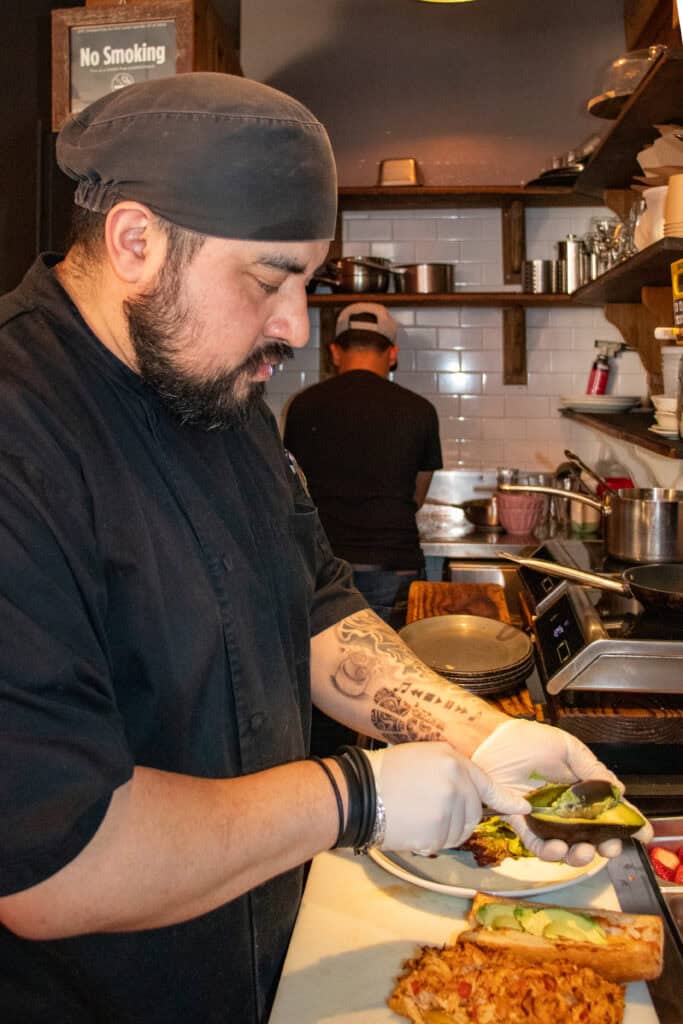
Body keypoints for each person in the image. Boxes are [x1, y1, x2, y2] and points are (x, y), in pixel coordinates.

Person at [0, 72, 646, 1024]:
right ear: (135, 240)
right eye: (268, 279)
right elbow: (50, 861)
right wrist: (353, 796)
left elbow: (316, 605)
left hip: (266, 966)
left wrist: (486, 736)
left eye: (308, 283)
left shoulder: (222, 402)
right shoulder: (21, 435)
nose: (295, 327)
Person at [283, 302, 442, 752]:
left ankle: (333, 798)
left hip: (321, 576)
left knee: (326, 699)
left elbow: (295, 491)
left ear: (335, 351)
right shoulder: (418, 411)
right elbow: (417, 495)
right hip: (396, 570)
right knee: (397, 697)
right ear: (391, 354)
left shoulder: (302, 407)